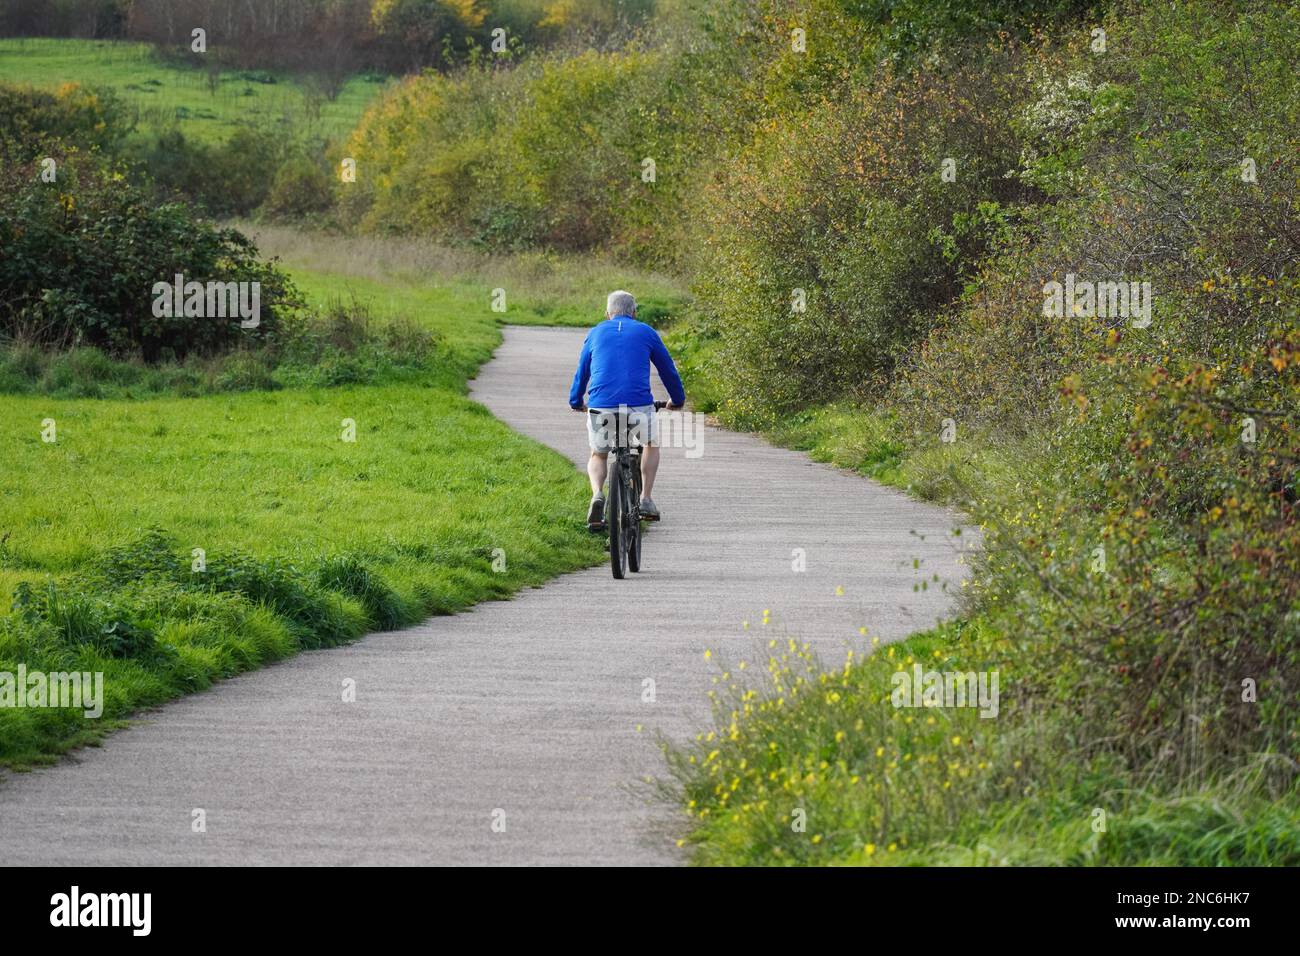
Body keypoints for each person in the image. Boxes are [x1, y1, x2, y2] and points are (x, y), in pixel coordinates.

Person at [569, 290, 685, 527]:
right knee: (650, 443)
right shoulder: (646, 332)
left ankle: (597, 495)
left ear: (607, 313)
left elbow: (582, 372)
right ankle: (646, 499)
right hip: (638, 406)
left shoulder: (595, 333)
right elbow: (667, 370)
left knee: (598, 453)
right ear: (634, 312)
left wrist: (576, 401)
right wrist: (677, 399)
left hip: (601, 406)